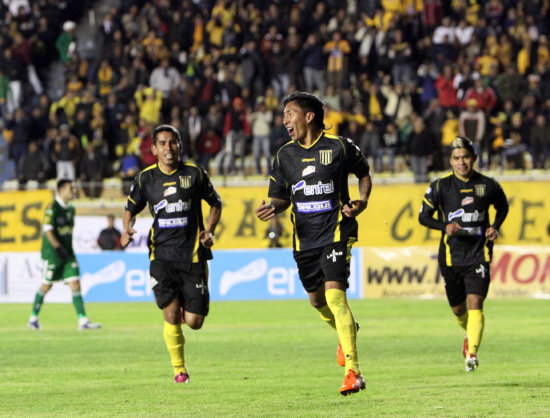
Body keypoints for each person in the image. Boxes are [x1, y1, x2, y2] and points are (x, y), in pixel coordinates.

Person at [255, 91, 371, 396]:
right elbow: (281, 197)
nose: (284, 121)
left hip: (336, 231)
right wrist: (273, 208)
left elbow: (364, 174)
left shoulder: (340, 147)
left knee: (335, 300)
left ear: (309, 116)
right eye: (283, 115)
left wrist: (363, 201)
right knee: (317, 302)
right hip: (304, 238)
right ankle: (347, 333)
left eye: (289, 113)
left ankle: (353, 372)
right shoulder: (284, 155)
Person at [121, 124, 222, 384]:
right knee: (169, 313)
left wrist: (209, 230)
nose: (169, 148)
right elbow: (130, 207)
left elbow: (215, 203)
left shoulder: (195, 174)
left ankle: (180, 309)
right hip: (161, 255)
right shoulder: (145, 178)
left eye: (173, 142)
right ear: (153, 149)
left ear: (180, 145)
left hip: (193, 256)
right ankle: (179, 369)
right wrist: (126, 228)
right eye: (163, 143)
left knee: (195, 321)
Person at [418, 136, 509, 372]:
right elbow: (423, 216)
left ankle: (472, 354)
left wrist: (495, 226)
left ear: (474, 158)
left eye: (466, 157)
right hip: (451, 256)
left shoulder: (487, 185)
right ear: (450, 160)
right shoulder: (440, 186)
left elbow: (503, 206)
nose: (462, 163)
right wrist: (444, 226)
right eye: (457, 158)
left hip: (479, 254)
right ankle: (470, 333)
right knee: (458, 310)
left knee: (476, 302)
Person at [28, 179, 101, 331]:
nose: (73, 191)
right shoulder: (52, 208)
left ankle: (83, 320)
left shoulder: (71, 209)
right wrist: (57, 248)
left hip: (68, 253)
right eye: (70, 188)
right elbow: (47, 229)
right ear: (60, 190)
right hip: (53, 254)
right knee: (46, 285)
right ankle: (33, 318)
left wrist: (65, 250)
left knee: (75, 284)